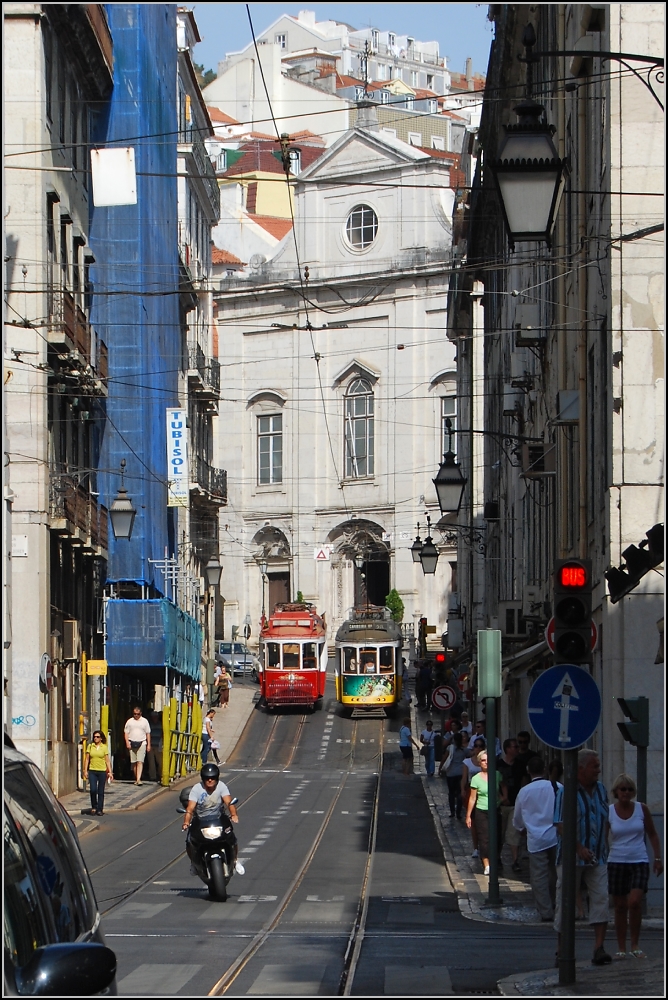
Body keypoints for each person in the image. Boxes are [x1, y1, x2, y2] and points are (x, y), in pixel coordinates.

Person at [554, 749, 611, 966]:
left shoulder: (601, 790)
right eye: (594, 766)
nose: (598, 770)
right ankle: (561, 950)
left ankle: (599, 948)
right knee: (565, 901)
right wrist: (578, 848)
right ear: (581, 768)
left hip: (598, 857)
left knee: (600, 899)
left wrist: (603, 845)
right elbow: (560, 825)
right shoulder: (565, 792)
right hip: (570, 857)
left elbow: (605, 819)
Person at [608, 773, 663, 959]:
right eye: (622, 789)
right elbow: (602, 836)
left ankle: (635, 945)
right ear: (616, 791)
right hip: (616, 861)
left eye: (630, 789)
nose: (626, 792)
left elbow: (653, 834)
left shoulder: (642, 809)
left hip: (638, 860)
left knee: (635, 902)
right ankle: (621, 947)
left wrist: (657, 858)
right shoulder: (609, 811)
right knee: (620, 906)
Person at [513, 756, 560, 920]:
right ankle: (557, 904)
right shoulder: (557, 787)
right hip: (556, 836)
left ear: (528, 771)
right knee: (556, 873)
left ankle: (546, 911)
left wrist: (520, 828)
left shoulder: (524, 792)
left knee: (539, 876)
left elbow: (517, 816)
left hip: (536, 838)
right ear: (545, 769)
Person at [182, 762, 244, 875]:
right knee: (189, 841)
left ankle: (235, 861)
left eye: (213, 778)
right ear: (203, 778)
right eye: (207, 778)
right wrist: (186, 822)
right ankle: (194, 864)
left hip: (219, 818)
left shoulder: (221, 786)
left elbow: (229, 802)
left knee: (232, 838)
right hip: (200, 819)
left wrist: (234, 815)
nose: (210, 780)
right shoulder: (196, 789)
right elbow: (190, 808)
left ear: (217, 778)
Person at [465, 749, 507, 875]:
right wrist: (468, 815)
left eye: (488, 761)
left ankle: (495, 859)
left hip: (495, 810)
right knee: (484, 838)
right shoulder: (476, 779)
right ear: (479, 763)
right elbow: (472, 798)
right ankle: (486, 864)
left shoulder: (497, 775)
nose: (486, 763)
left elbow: (504, 786)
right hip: (481, 811)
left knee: (497, 837)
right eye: (483, 761)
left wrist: (503, 798)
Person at [497, 738, 522, 871]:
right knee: (499, 833)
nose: (517, 749)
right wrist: (501, 798)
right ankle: (497, 857)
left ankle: (515, 860)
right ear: (507, 749)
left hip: (515, 803)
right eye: (514, 747)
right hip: (501, 805)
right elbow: (494, 784)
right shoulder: (498, 765)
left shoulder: (520, 765)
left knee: (513, 833)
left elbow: (524, 782)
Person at [461, 736, 486, 856]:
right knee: (475, 822)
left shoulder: (487, 762)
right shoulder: (467, 762)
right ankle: (476, 847)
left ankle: (485, 847)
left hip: (485, 794)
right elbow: (464, 778)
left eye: (481, 746)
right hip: (472, 792)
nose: (478, 748)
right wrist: (462, 790)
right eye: (476, 746)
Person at [83, 730, 113, 815]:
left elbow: (107, 760)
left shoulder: (104, 747)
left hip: (102, 771)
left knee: (100, 791)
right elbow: (87, 759)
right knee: (93, 790)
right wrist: (85, 770)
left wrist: (110, 772)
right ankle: (94, 806)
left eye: (97, 737)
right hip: (92, 770)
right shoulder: (90, 746)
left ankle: (99, 809)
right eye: (94, 737)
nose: (95, 738)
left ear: (101, 738)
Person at [439, 730, 466, 818]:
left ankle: (452, 812)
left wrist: (440, 768)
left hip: (450, 773)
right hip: (461, 773)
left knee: (451, 792)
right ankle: (458, 812)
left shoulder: (450, 748)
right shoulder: (464, 750)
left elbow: (444, 758)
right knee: (459, 792)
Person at [124, 706, 151, 785]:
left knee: (140, 761)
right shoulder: (129, 721)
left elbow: (148, 733)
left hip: (142, 742)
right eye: (134, 714)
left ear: (141, 714)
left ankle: (138, 779)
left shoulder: (145, 721)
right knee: (134, 762)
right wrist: (127, 742)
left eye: (137, 714)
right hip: (131, 742)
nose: (136, 715)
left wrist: (148, 745)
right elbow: (126, 733)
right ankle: (137, 778)